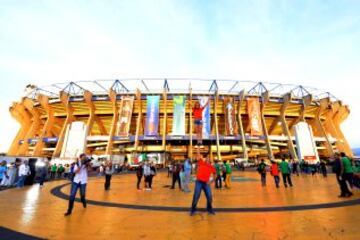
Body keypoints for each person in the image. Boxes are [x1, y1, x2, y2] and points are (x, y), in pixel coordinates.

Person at [190, 148, 216, 216]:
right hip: (199, 182)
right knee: (196, 196)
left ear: (210, 160)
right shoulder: (202, 162)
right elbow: (198, 155)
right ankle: (193, 209)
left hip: (206, 183)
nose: (207, 159)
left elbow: (215, 174)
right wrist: (198, 149)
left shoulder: (211, 167)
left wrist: (211, 181)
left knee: (209, 197)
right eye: (206, 158)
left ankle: (209, 209)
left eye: (209, 158)